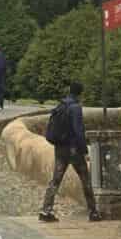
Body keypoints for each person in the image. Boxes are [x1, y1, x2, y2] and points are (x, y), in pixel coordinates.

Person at [38, 80, 100, 223]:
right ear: (80, 93)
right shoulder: (75, 107)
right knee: (85, 179)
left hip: (60, 148)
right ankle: (93, 212)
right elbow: (78, 131)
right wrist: (84, 150)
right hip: (73, 149)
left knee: (55, 180)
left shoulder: (61, 105)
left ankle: (46, 210)